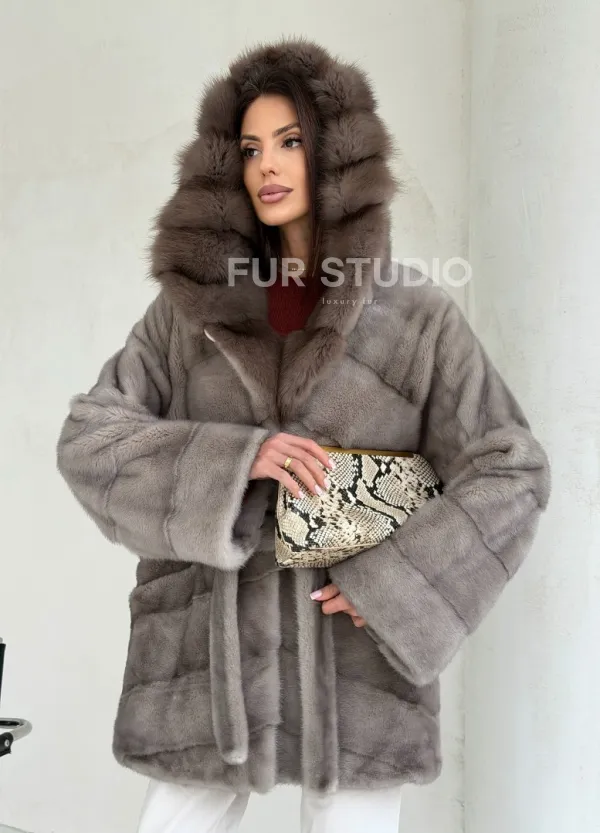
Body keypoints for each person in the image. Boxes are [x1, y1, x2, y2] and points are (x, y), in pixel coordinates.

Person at [56, 37, 551, 833]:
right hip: (205, 660)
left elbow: (512, 469)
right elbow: (90, 438)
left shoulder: (417, 318)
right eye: (250, 148)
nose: (267, 166)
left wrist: (394, 587)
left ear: (335, 157)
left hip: (355, 673)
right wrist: (233, 461)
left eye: (289, 141)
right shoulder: (189, 315)